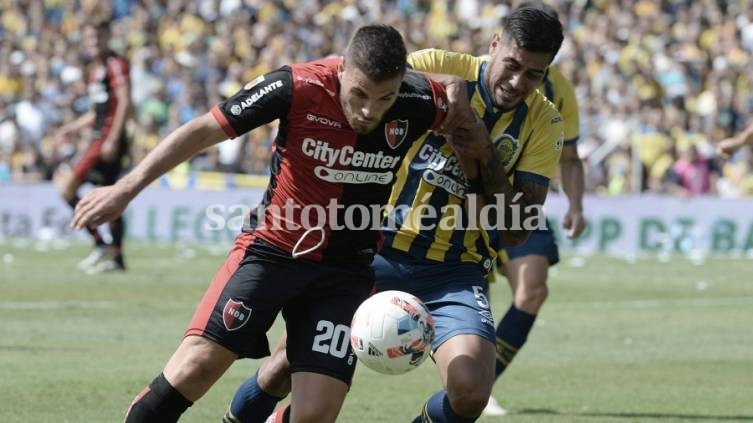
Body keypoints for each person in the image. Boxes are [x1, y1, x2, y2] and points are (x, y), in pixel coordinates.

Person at [71, 24, 455, 423]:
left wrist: (459, 101)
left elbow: (463, 96)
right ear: (342, 70)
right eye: (359, 94)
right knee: (194, 369)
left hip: (345, 273)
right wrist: (126, 188)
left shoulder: (419, 99)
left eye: (384, 98)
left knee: (316, 415)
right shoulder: (296, 85)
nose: (369, 111)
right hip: (272, 253)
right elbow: (204, 128)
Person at [224, 7, 565, 423]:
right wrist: (445, 88)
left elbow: (514, 233)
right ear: (495, 46)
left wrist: (482, 150)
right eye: (512, 65)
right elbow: (361, 92)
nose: (517, 82)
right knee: (282, 370)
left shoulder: (545, 122)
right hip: (371, 252)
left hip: (453, 270)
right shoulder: (438, 64)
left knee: (471, 392)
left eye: (534, 74)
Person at [483, 2, 586, 416]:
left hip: (522, 200)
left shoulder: (559, 92)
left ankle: (483, 380)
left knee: (534, 289)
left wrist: (576, 204)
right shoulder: (477, 71)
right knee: (475, 292)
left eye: (534, 72)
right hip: (462, 200)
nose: (520, 79)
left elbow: (572, 156)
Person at [53, 20, 132, 273]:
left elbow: (125, 101)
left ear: (107, 36)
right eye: (89, 38)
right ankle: (116, 257)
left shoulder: (115, 64)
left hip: (105, 140)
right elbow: (97, 112)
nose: (93, 42)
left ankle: (100, 244)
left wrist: (113, 138)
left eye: (97, 37)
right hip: (99, 137)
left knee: (67, 188)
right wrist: (71, 129)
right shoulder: (96, 69)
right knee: (108, 195)